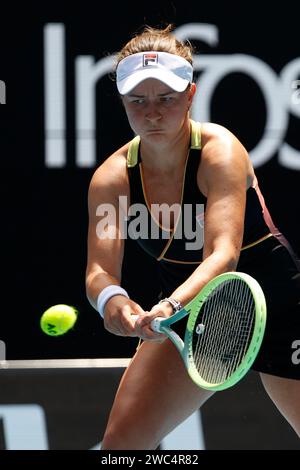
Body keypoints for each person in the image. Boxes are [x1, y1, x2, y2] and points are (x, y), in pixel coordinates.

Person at [85, 24, 300, 449]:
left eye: (165, 99)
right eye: (137, 101)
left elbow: (224, 255)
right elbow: (99, 270)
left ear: (190, 95)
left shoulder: (220, 151)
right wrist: (115, 303)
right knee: (120, 447)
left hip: (280, 304)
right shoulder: (112, 180)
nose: (151, 113)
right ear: (123, 102)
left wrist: (167, 304)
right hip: (191, 313)